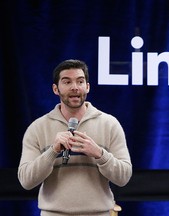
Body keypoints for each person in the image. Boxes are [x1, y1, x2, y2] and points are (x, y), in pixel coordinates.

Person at [18, 59, 132, 216]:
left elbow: (124, 177)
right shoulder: (38, 128)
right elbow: (26, 181)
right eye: (67, 82)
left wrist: (99, 154)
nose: (74, 87)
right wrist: (53, 151)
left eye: (80, 81)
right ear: (55, 89)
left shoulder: (109, 124)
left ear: (88, 87)